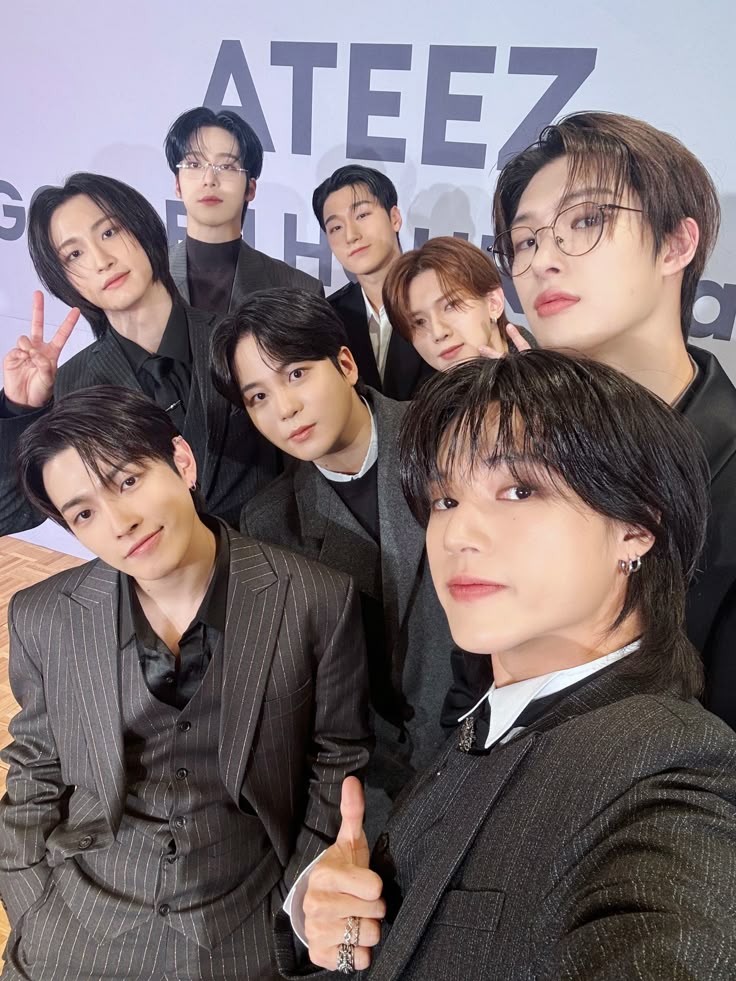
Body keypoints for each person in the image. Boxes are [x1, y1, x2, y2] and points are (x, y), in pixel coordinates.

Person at [281, 352, 736, 981]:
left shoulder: (670, 774)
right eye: (444, 499)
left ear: (636, 525)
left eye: (519, 490)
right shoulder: (497, 715)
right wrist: (327, 910)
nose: (457, 533)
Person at [0, 386, 371, 980]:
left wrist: (293, 911)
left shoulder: (315, 598)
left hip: (246, 921)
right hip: (75, 923)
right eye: (84, 514)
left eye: (127, 481)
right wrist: (30, 901)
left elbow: (335, 759)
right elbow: (35, 769)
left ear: (182, 461)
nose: (120, 524)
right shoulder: (43, 616)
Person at [488, 110, 736, 728]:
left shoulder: (724, 473)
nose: (544, 259)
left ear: (676, 243)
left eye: (587, 220)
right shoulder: (516, 448)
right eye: (526, 240)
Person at [210, 288, 454, 835]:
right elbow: (325, 693)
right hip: (389, 782)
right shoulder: (270, 522)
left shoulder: (448, 436)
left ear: (345, 364)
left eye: (296, 374)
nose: (285, 409)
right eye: (258, 397)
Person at [0, 172, 279, 536]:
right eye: (74, 254)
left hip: (272, 559)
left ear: (142, 227)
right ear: (63, 279)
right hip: (151, 569)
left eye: (109, 232)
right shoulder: (72, 388)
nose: (101, 260)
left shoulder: (242, 339)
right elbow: (7, 513)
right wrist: (19, 410)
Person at [165, 107, 323, 314]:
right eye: (194, 164)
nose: (209, 180)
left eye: (227, 167)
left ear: (250, 188)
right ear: (177, 184)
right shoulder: (146, 275)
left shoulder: (299, 291)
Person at [312, 165, 434, 399]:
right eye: (336, 227)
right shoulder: (329, 317)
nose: (351, 235)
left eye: (362, 215)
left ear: (394, 218)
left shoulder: (441, 299)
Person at [382, 236, 533, 372]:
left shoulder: (543, 378)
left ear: (493, 303)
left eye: (451, 305)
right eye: (419, 322)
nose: (438, 333)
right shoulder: (430, 394)